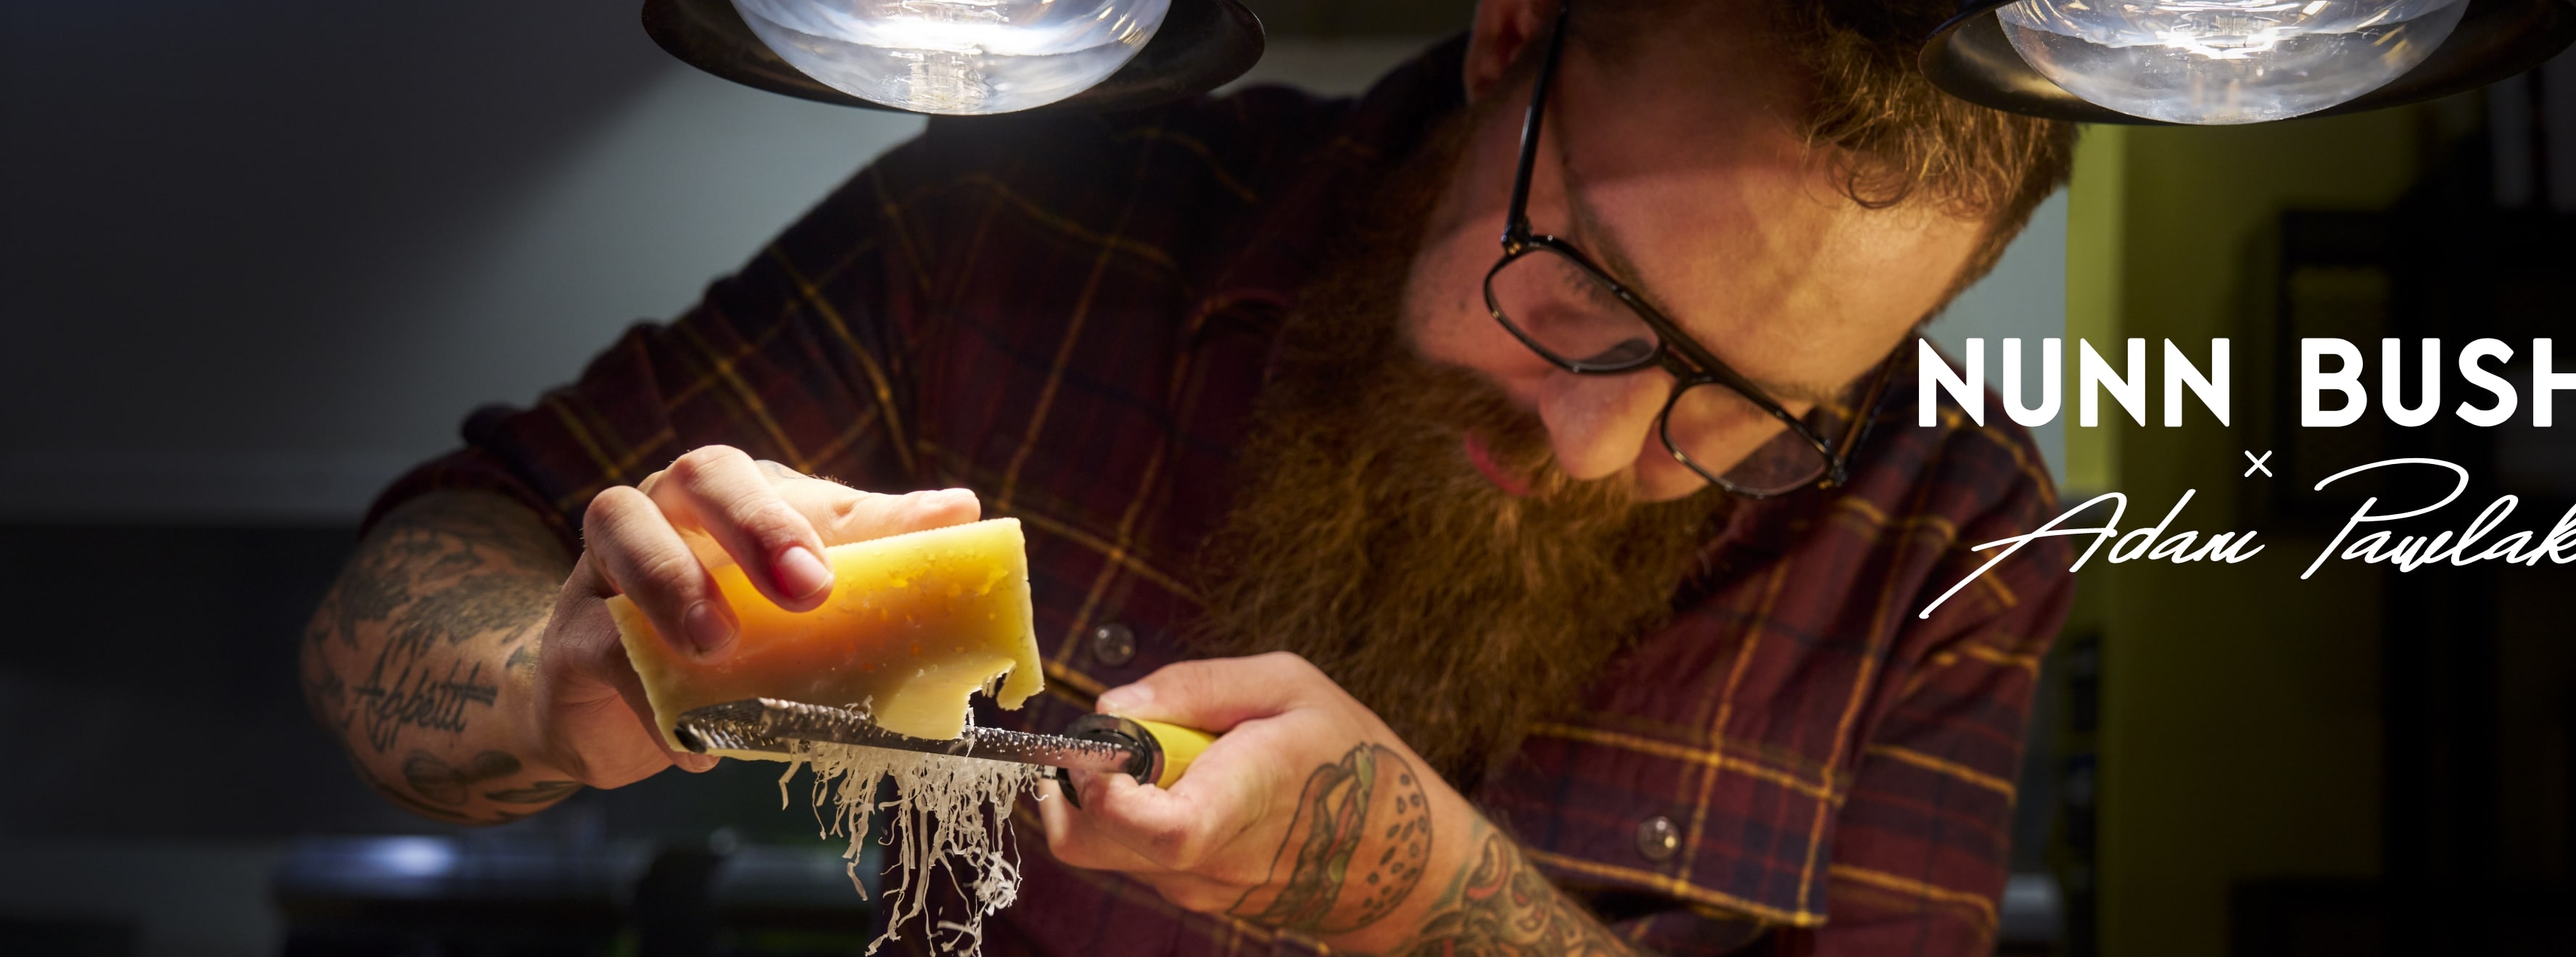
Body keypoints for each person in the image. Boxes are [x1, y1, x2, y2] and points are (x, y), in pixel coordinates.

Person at [300, 0, 2076, 953]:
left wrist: (1433, 909)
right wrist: (551, 684)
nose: (1598, 448)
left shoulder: (1956, 540)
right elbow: (402, 606)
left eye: (1750, 409)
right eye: (1586, 298)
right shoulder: (1025, 230)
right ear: (1512, 40)